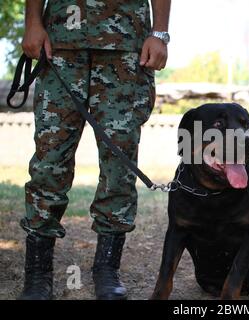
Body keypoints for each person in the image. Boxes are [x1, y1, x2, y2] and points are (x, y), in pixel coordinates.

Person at [19, 0, 171, 300]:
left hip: (128, 44)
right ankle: (37, 273)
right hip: (60, 42)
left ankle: (106, 269)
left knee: (120, 162)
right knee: (49, 160)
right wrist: (32, 22)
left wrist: (161, 33)